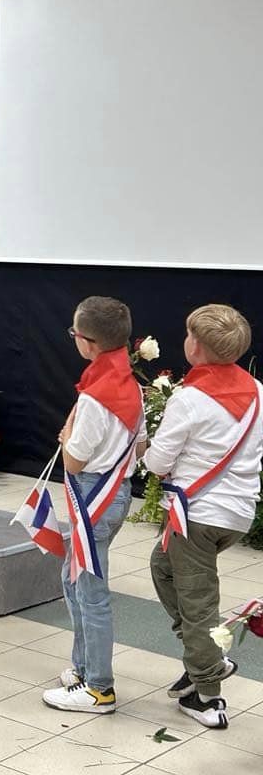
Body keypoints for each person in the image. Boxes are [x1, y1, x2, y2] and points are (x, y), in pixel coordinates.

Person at [145, 304, 263, 729]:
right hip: (236, 513)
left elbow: (159, 462)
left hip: (195, 515)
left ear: (195, 347)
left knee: (198, 603)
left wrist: (148, 454)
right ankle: (205, 656)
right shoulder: (258, 391)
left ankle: (208, 696)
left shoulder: (189, 399)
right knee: (163, 568)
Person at [42, 296, 146, 715]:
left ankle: (100, 688)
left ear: (89, 343)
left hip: (94, 497)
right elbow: (140, 446)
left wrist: (67, 435)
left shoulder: (95, 397)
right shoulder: (130, 384)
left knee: (91, 592)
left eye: (74, 333)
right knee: (74, 580)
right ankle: (84, 668)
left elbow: (73, 461)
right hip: (115, 491)